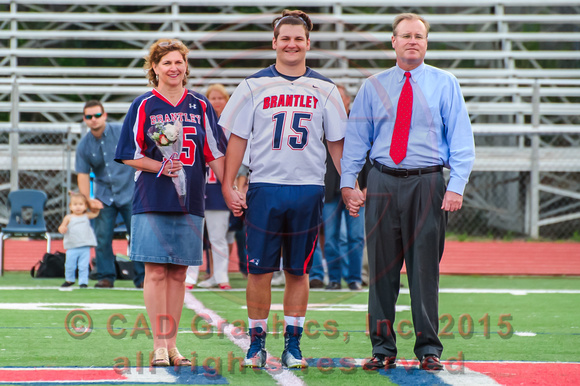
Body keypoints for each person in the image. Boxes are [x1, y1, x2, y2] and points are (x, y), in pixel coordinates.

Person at [341, 13, 475, 371]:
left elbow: (461, 139)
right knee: (382, 270)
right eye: (405, 35)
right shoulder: (372, 86)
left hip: (427, 182)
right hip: (382, 182)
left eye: (419, 35)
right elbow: (356, 140)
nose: (412, 40)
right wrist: (348, 183)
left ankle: (429, 348)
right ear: (394, 42)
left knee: (424, 270)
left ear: (426, 42)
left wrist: (456, 185)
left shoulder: (445, 83)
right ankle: (382, 349)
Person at [220, 9, 347, 368]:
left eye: (298, 39)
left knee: (298, 270)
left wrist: (350, 184)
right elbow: (237, 140)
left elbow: (337, 143)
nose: (292, 44)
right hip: (264, 187)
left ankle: (293, 343)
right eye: (285, 38)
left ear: (308, 43)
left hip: (308, 188)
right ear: (275, 42)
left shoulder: (325, 88)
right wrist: (229, 185)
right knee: (258, 270)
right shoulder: (251, 86)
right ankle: (256, 342)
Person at [114, 38, 227, 367]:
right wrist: (160, 165)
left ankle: (173, 345)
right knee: (155, 273)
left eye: (178, 62)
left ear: (186, 66)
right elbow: (127, 154)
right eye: (166, 63)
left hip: (191, 198)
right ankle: (158, 345)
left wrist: (232, 188)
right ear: (154, 68)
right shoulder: (144, 104)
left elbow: (215, 153)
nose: (173, 68)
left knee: (178, 275)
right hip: (152, 197)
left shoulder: (200, 104)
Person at [76, 100, 145, 289]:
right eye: (89, 117)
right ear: (85, 120)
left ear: (104, 115)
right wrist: (88, 200)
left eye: (97, 115)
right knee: (102, 238)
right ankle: (106, 277)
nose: (94, 120)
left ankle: (142, 278)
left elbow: (140, 153)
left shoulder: (122, 132)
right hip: (104, 197)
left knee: (137, 237)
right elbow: (82, 174)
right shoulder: (84, 145)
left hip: (130, 192)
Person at [322, 84, 368, 291]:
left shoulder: (360, 123)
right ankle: (333, 279)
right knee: (331, 238)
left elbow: (370, 157)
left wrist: (367, 187)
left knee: (356, 237)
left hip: (357, 189)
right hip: (329, 190)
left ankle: (354, 279)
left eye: (341, 98)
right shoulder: (320, 122)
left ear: (349, 100)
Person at [196, 84, 233, 290]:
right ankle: (192, 276)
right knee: (194, 237)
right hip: (198, 188)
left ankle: (221, 276)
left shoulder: (231, 127)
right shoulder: (198, 124)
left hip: (218, 187)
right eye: (213, 98)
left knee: (218, 237)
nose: (216, 102)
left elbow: (240, 159)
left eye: (221, 98)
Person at [58, 192, 100, 288]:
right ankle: (69, 280)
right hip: (72, 246)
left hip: (84, 246)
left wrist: (97, 207)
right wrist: (62, 229)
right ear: (70, 206)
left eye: (81, 204)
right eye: (75, 204)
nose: (78, 207)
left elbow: (95, 214)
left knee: (83, 266)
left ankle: (83, 282)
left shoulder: (86, 216)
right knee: (69, 265)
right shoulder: (68, 217)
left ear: (85, 206)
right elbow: (62, 227)